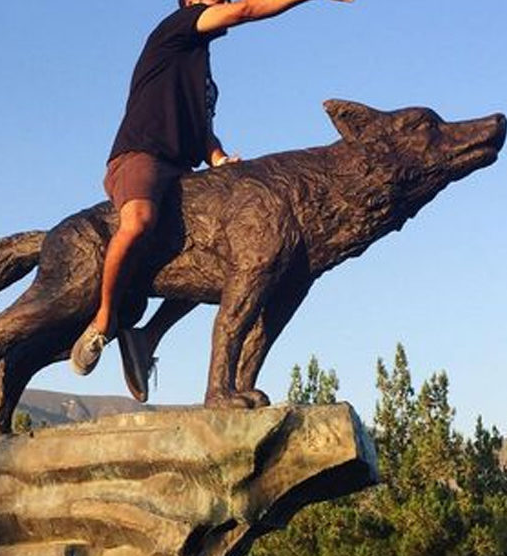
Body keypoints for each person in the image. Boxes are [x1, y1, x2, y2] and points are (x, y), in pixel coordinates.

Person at [71, 0, 353, 400]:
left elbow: (203, 133)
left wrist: (219, 159)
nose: (224, 1)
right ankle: (102, 322)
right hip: (142, 156)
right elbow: (246, 10)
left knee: (217, 261)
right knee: (138, 221)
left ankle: (147, 338)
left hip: (182, 170)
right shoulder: (175, 29)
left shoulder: (204, 78)